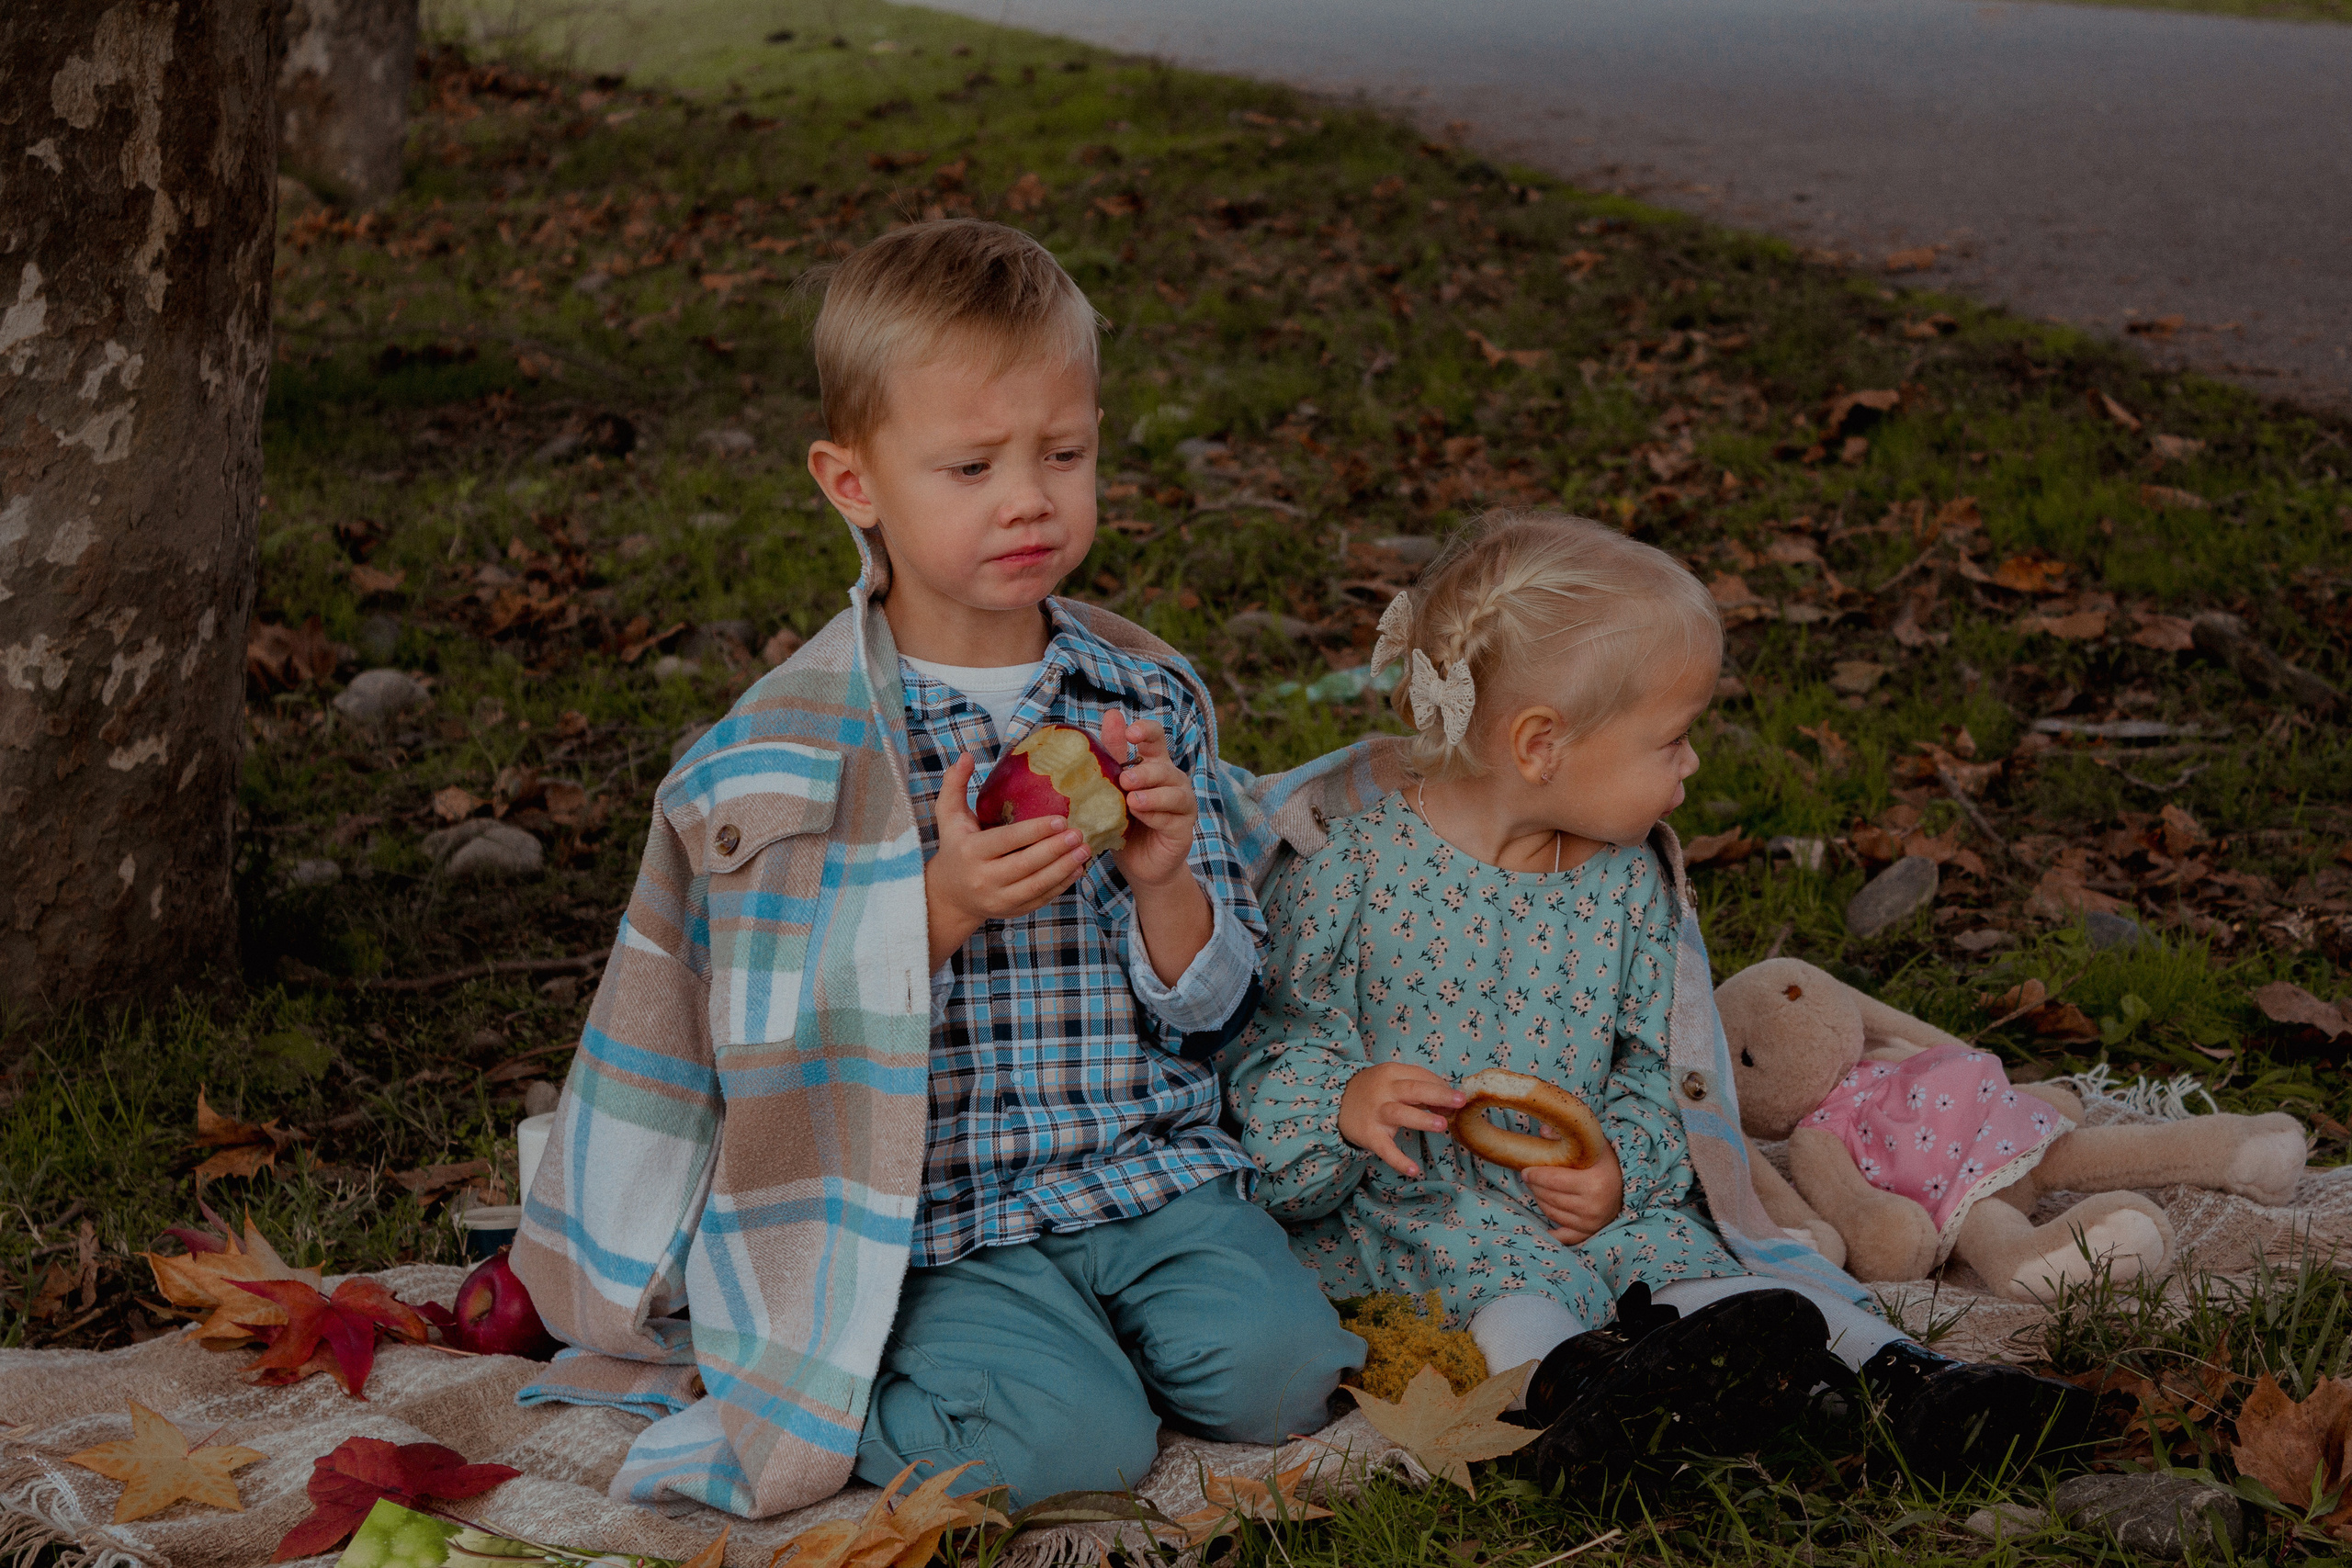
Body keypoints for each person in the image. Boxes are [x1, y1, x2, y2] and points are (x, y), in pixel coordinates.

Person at [510, 219, 1361, 1517]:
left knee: (1285, 1372)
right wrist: (943, 901)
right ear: (853, 482)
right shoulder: (794, 756)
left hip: (1138, 1168)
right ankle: (856, 1379)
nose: (1028, 497)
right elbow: (764, 1026)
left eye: (1063, 454)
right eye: (970, 465)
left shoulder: (1144, 698)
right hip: (930, 1217)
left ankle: (1102, 1338)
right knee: (1069, 1449)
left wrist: (1165, 877)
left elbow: (1220, 1008)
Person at [1223, 512, 2088, 1484]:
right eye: (1670, 741)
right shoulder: (1349, 876)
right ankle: (1571, 1408)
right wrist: (1345, 1106)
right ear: (1541, 744)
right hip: (1420, 1203)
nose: (1691, 765)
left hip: (1588, 1197)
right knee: (1499, 1280)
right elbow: (1274, 1056)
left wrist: (1616, 1174)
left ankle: (1902, 1380)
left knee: (1705, 1272)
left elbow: (1657, 1074)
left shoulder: (1628, 886)